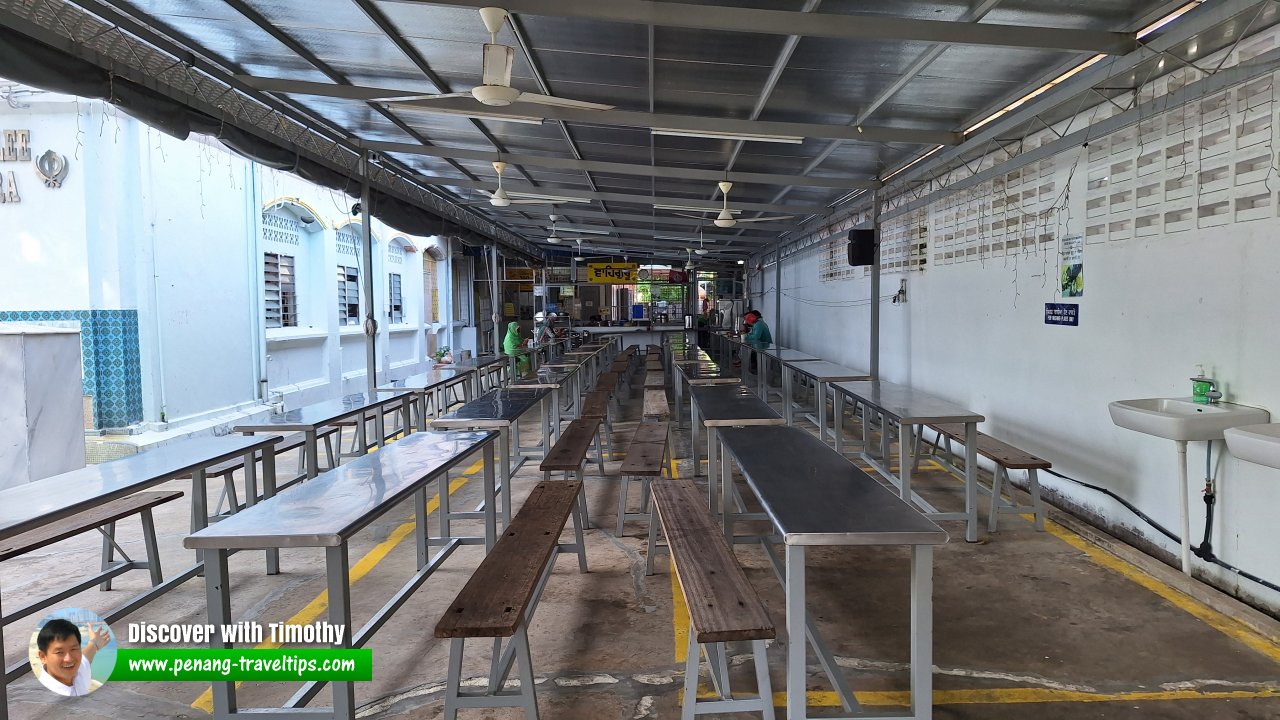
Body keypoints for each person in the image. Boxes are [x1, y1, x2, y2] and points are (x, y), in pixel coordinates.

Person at [36, 618, 108, 697]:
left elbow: (86, 656)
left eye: (73, 649)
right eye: (59, 652)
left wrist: (94, 643)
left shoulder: (79, 670)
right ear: (43, 657)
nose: (69, 659)